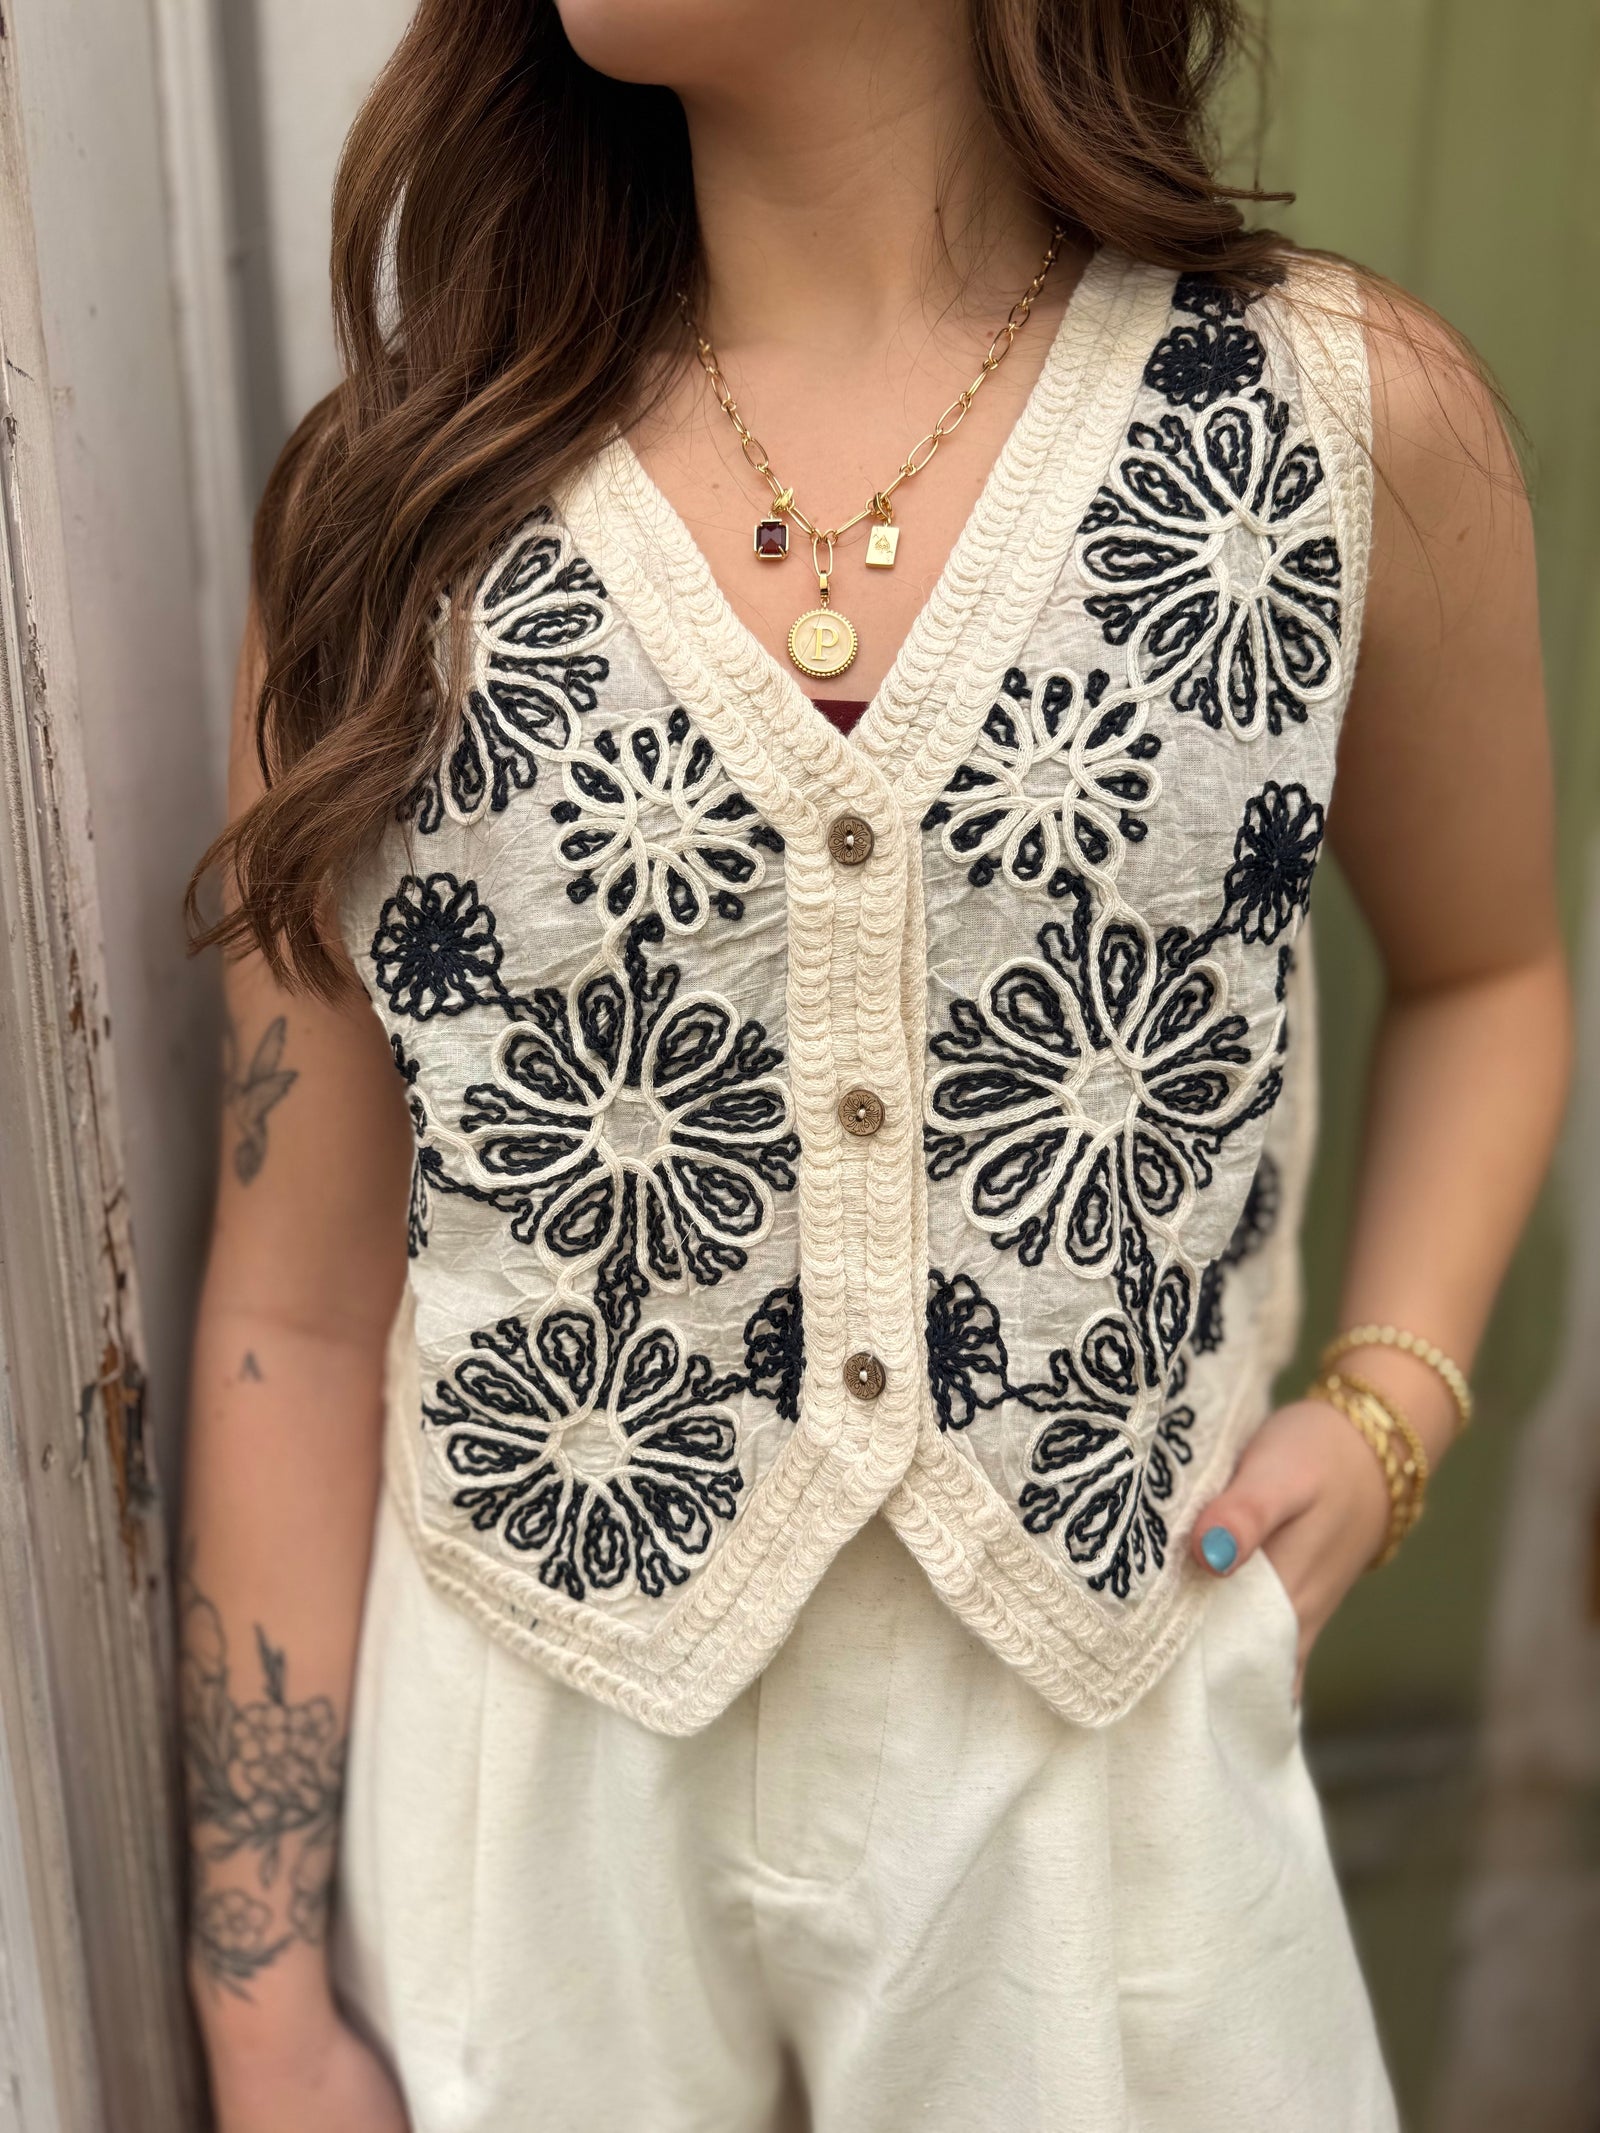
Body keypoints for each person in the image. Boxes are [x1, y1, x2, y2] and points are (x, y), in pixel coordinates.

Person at [179, 1, 1571, 2127]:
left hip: (1102, 1786)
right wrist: (262, 1998)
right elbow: (291, 1302)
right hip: (527, 1819)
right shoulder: (401, 514)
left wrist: (1394, 1399)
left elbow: (1488, 969)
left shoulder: (1330, 424)